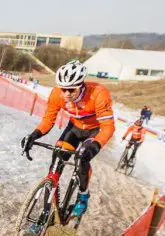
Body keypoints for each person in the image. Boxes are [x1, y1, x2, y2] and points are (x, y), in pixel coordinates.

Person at [21, 59, 114, 217]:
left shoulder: (98, 93)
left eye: (71, 90)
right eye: (63, 89)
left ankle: (83, 195)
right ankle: (46, 212)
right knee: (57, 158)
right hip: (75, 128)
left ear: (81, 85)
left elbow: (108, 127)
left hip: (94, 130)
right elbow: (48, 119)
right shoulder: (57, 94)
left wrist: (95, 147)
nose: (67, 94)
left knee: (82, 158)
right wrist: (34, 135)